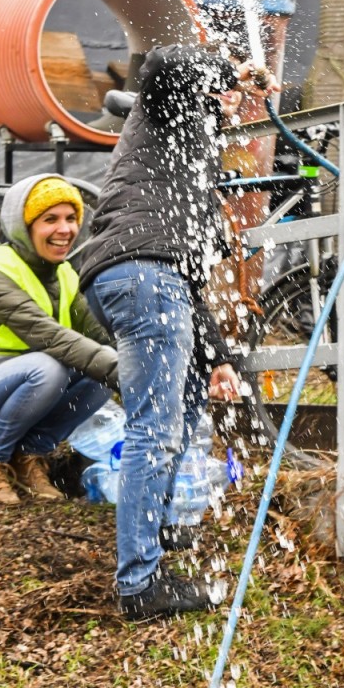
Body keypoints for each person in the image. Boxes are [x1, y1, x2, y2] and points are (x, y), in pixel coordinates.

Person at [79, 42, 279, 621]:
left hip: (151, 278)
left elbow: (189, 279)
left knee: (184, 409)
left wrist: (216, 357)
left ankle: (161, 535)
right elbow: (163, 63)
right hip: (142, 275)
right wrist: (233, 69)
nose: (229, 103)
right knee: (156, 429)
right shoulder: (167, 109)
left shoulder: (192, 157)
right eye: (223, 93)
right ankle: (139, 585)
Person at [0, 174, 119, 506]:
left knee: (96, 377)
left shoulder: (63, 275)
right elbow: (52, 338)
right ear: (22, 227)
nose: (65, 229)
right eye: (50, 219)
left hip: (2, 390)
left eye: (71, 218)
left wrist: (146, 369)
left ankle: (28, 456)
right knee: (49, 367)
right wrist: (124, 373)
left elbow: (99, 341)